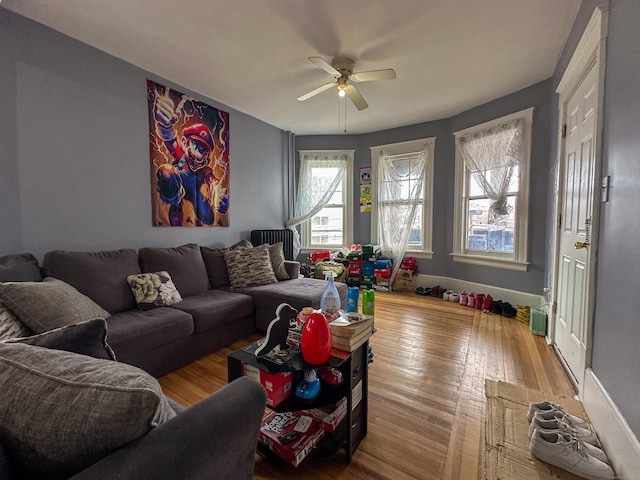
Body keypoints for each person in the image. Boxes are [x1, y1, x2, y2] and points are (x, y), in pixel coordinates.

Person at [152, 88, 227, 226]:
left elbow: (212, 180)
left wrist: (219, 193)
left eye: (204, 149)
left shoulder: (204, 169)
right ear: (186, 142)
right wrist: (164, 124)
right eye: (196, 145)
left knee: (208, 217)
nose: (200, 152)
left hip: (195, 193)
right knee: (166, 171)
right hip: (178, 186)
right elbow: (171, 140)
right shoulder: (181, 155)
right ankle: (175, 199)